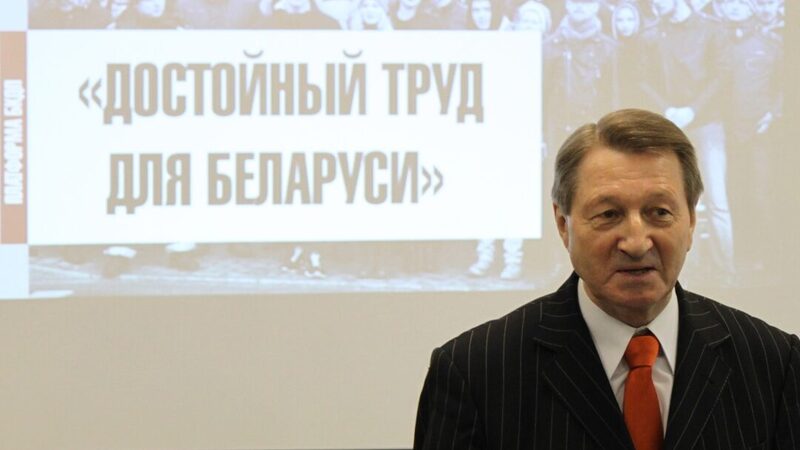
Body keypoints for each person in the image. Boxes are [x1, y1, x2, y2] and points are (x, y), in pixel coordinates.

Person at [414, 109, 800, 449]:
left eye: (659, 212)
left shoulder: (772, 364)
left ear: (691, 221)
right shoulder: (476, 372)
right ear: (563, 224)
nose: (636, 242)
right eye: (609, 214)